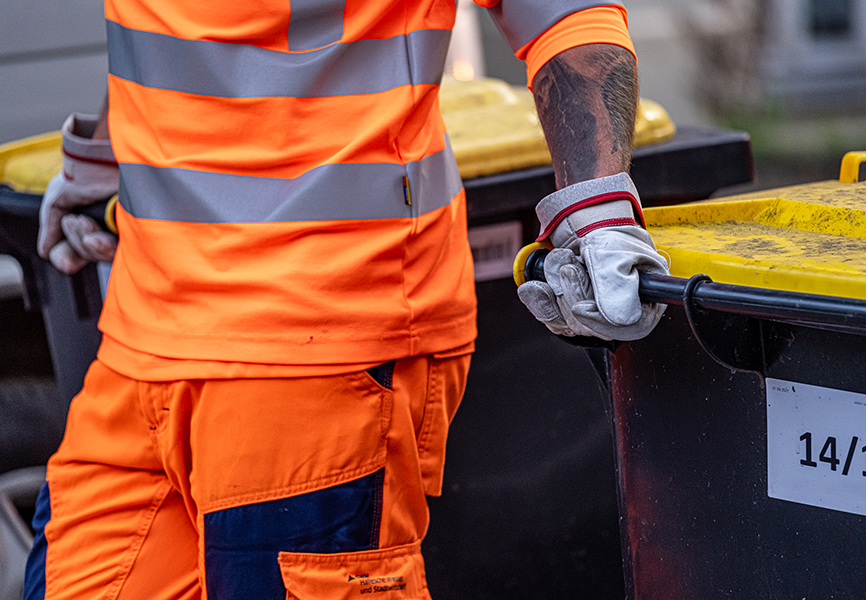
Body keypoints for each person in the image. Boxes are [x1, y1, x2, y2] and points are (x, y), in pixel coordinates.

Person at [25, 1, 668, 598]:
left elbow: (565, 16)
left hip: (320, 345)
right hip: (142, 338)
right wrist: (110, 157)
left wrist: (597, 208)